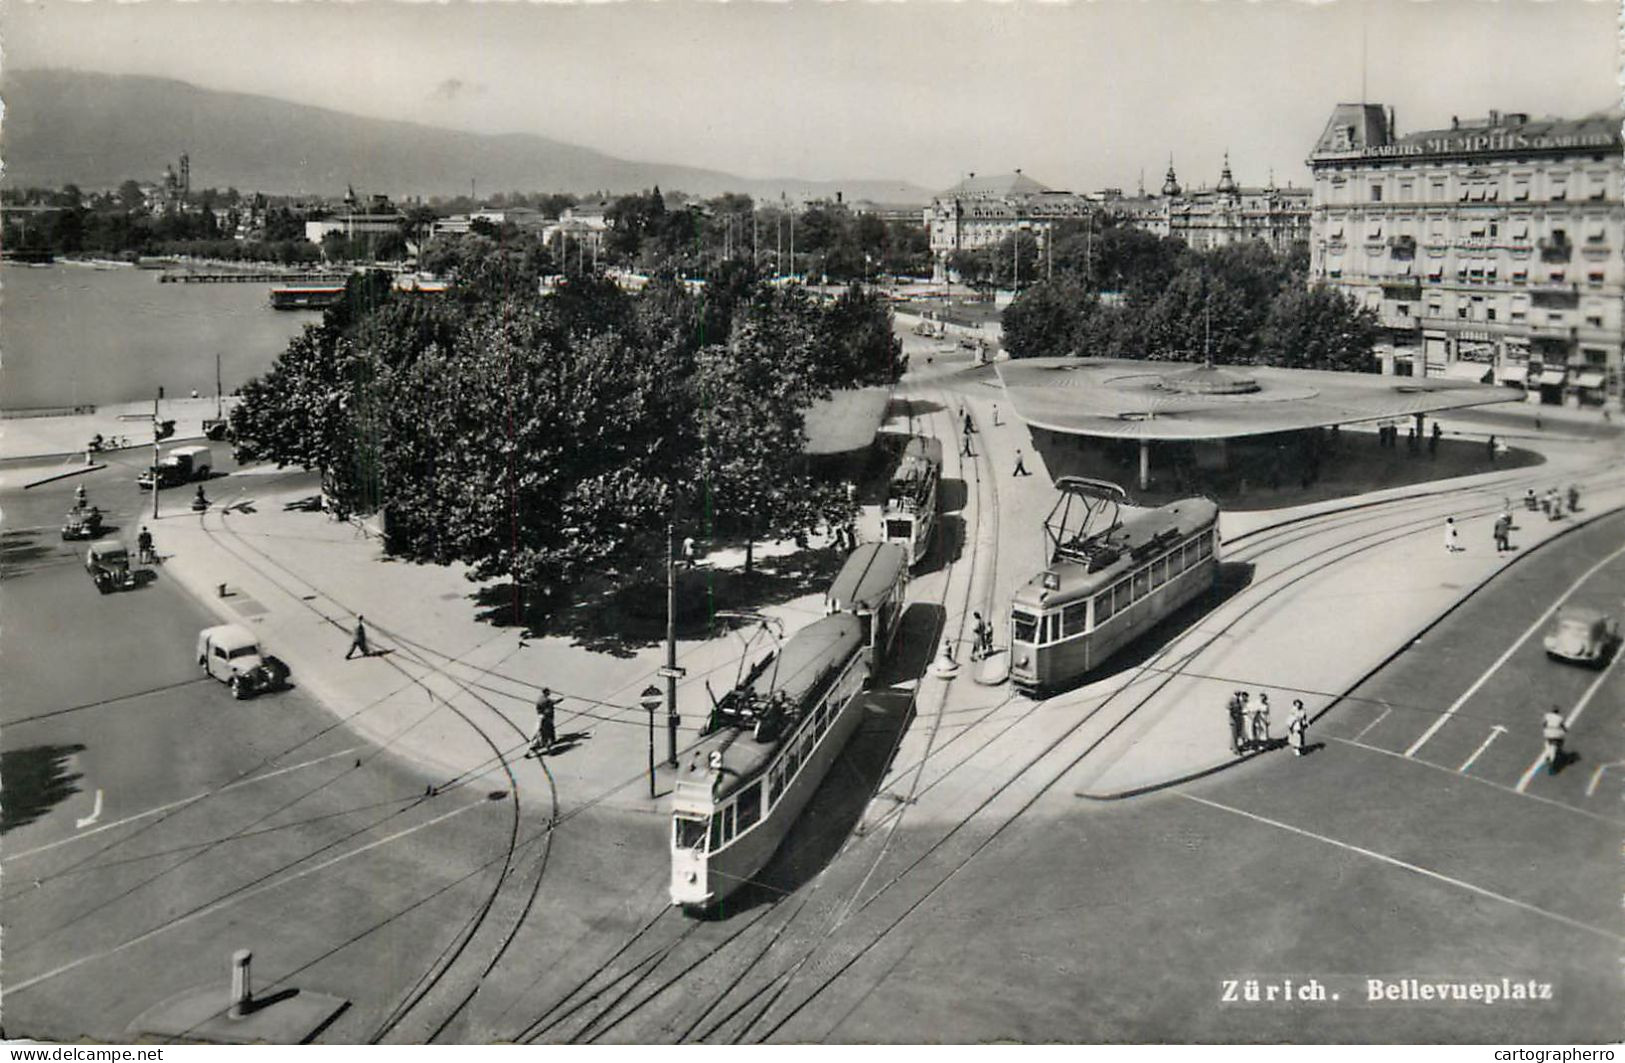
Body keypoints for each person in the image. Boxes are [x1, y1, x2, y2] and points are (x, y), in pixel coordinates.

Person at [531, 688, 559, 757]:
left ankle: (535, 746)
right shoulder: (546, 700)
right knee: (546, 734)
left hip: (541, 717)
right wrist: (562, 699)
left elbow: (538, 708)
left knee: (540, 733)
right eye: (548, 692)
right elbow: (554, 702)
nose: (550, 693)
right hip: (546, 719)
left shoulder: (540, 699)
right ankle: (549, 749)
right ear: (546, 692)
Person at [1542, 706, 1567, 775]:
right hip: (1557, 734)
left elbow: (1544, 724)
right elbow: (1563, 726)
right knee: (1561, 740)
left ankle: (1547, 755)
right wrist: (1565, 730)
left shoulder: (1547, 715)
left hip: (1548, 732)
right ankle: (1557, 751)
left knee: (1547, 742)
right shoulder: (1560, 718)